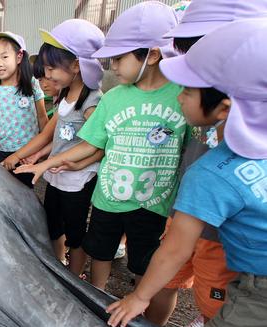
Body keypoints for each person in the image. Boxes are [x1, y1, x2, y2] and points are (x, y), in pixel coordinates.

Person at [106, 18, 267, 327]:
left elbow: (176, 249)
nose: (178, 96)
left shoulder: (210, 172)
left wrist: (138, 297)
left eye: (188, 90)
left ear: (224, 107)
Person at [15, 3, 190, 299]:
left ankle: (145, 318)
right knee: (100, 253)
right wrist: (45, 163)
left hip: (153, 205)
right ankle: (95, 299)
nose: (113, 67)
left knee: (144, 266)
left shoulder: (184, 96)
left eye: (119, 58)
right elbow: (93, 142)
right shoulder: (114, 99)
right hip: (107, 200)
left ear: (153, 54)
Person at [147, 0, 267, 327]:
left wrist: (136, 297)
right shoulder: (206, 111)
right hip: (185, 215)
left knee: (218, 321)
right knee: (169, 279)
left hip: (219, 237)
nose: (180, 94)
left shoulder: (223, 163)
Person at [15, 20, 106, 275]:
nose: (48, 75)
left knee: (76, 233)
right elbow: (50, 134)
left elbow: (99, 142)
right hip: (57, 177)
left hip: (77, 180)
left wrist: (46, 163)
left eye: (51, 68)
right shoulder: (65, 96)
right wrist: (22, 155)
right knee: (54, 225)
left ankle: (74, 277)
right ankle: (59, 267)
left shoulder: (92, 101)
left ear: (77, 66)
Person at [0, 32, 47, 187]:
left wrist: (45, 147)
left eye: (4, 57)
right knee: (8, 190)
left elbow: (42, 117)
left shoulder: (32, 84)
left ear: (19, 57)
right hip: (5, 150)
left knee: (26, 190)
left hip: (29, 150)